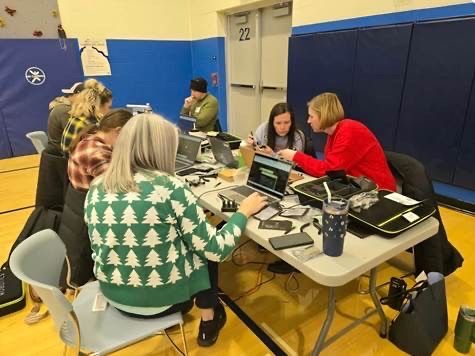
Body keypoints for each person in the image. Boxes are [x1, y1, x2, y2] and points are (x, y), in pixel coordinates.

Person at [84, 113, 267, 346]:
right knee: (204, 247)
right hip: (164, 302)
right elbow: (216, 250)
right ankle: (208, 320)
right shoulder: (170, 187)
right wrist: (243, 212)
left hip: (112, 294)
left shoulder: (97, 185)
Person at [278, 92, 396, 191]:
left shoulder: (349, 130)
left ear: (323, 115)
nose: (308, 121)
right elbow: (330, 169)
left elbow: (329, 170)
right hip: (358, 187)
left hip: (379, 193)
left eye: (311, 116)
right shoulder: (334, 133)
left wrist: (296, 156)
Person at [68, 108, 133, 192]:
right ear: (119, 131)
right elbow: (118, 185)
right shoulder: (97, 152)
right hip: (87, 202)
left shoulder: (92, 137)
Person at [61, 79, 113, 154]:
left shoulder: (77, 118)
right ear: (98, 106)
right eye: (109, 107)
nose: (110, 111)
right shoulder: (90, 126)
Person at [47, 82, 85, 153]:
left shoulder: (62, 107)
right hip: (62, 153)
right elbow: (75, 135)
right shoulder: (65, 111)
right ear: (77, 95)